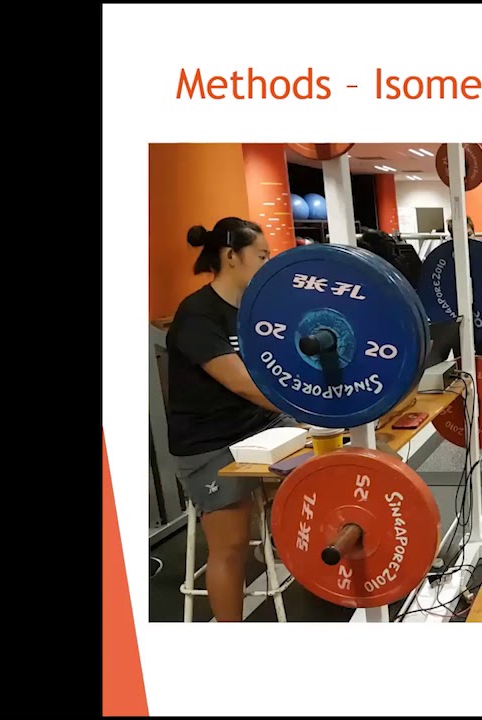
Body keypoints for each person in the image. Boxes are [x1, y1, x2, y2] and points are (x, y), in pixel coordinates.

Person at [165, 217, 300, 622]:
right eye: (262, 256)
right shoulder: (197, 315)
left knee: (334, 467)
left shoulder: (253, 310)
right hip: (211, 446)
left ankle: (287, 536)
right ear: (230, 257)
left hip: (261, 426)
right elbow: (242, 383)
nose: (267, 264)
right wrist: (307, 406)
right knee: (231, 544)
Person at [429, 215, 482, 366]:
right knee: (462, 365)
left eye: (469, 234)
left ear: (474, 232)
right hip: (458, 322)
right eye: (460, 236)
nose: (466, 240)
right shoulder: (446, 262)